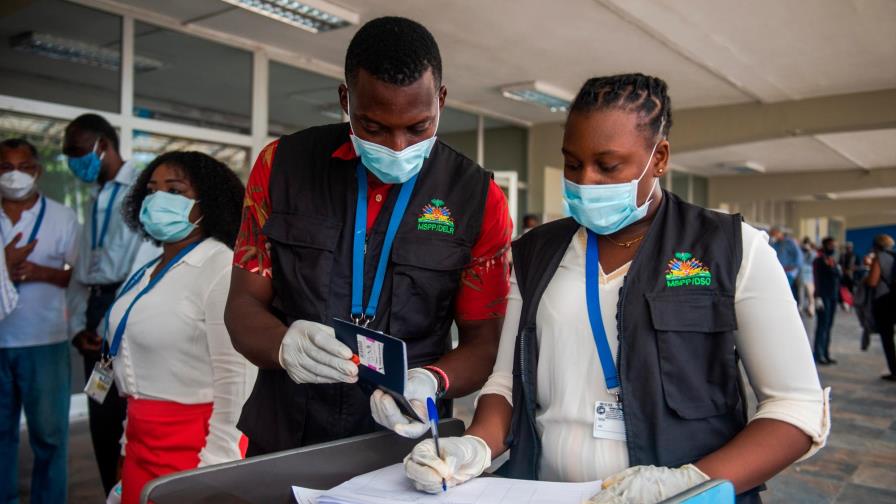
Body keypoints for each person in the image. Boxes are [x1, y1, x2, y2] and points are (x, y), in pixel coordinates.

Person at [402, 74, 829, 503]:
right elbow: (506, 384)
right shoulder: (537, 252)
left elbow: (794, 410)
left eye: (608, 166)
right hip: (544, 491)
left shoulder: (731, 248)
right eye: (573, 164)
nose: (586, 181)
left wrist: (688, 484)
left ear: (658, 158)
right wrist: (476, 445)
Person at [225, 16, 512, 454]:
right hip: (286, 433)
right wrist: (283, 344)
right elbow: (243, 303)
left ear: (442, 100)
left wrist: (432, 381)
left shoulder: (476, 196)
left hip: (404, 440)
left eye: (418, 127)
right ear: (346, 99)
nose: (397, 147)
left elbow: (483, 342)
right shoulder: (280, 167)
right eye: (374, 127)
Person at [104, 151, 256, 503]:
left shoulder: (220, 268)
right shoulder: (148, 268)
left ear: (209, 202)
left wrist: (216, 471)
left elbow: (237, 383)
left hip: (196, 448)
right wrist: (126, 450)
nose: (158, 199)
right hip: (140, 438)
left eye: (174, 191)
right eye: (152, 190)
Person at [63, 114, 146, 494]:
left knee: (131, 416)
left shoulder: (143, 187)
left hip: (125, 310)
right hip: (95, 314)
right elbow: (83, 271)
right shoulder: (97, 195)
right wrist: (78, 326)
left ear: (102, 145)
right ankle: (108, 493)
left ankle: (131, 491)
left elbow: (140, 266)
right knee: (101, 413)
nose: (72, 160)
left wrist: (106, 325)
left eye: (77, 151)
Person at [0, 138, 79, 503]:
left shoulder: (62, 217)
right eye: (5, 167)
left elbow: (75, 278)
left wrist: (35, 271)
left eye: (24, 166)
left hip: (44, 340)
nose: (15, 175)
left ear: (38, 170)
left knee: (49, 436)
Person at [865, 234, 895, 381]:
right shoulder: (893, 256)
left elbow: (872, 281)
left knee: (887, 338)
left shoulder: (879, 258)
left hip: (883, 301)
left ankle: (894, 370)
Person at [813, 237, 841, 365]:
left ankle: (826, 353)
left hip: (833, 296)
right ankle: (819, 354)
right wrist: (817, 296)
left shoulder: (834, 261)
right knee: (822, 326)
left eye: (834, 245)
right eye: (830, 245)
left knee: (829, 326)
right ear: (824, 246)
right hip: (823, 296)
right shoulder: (819, 261)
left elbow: (838, 279)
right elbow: (817, 279)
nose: (833, 248)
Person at [769, 226, 803, 301]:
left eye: (773, 234)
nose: (772, 236)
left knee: (785, 291)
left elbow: (799, 256)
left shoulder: (789, 242)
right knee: (783, 291)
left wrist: (793, 267)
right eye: (771, 234)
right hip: (780, 271)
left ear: (779, 233)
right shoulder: (775, 244)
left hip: (790, 272)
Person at [799, 238, 817, 317]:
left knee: (810, 295)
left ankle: (811, 309)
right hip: (801, 277)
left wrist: (809, 251)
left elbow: (814, 259)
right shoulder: (800, 252)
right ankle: (800, 309)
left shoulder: (812, 253)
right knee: (801, 295)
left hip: (809, 278)